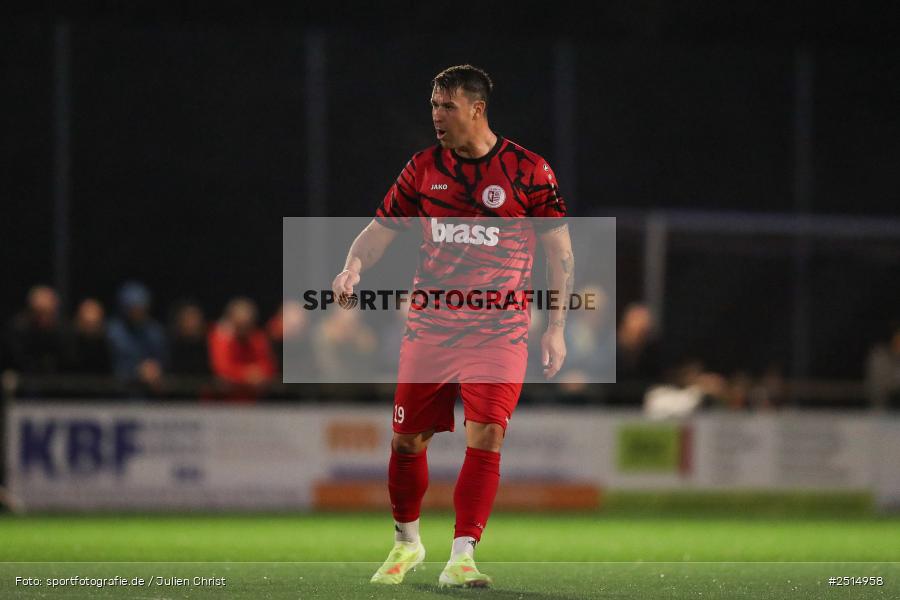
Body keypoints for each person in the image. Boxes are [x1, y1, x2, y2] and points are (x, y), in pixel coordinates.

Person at [330, 65, 571, 588]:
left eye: (447, 107)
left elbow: (559, 252)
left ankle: (462, 556)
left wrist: (556, 327)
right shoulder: (423, 168)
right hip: (431, 327)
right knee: (407, 443)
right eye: (434, 106)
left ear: (477, 109)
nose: (437, 117)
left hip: (499, 330)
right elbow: (379, 231)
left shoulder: (529, 171)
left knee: (486, 434)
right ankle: (406, 543)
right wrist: (353, 266)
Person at [208, 297, 276, 400]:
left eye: (247, 325)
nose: (243, 329)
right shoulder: (221, 338)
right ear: (231, 321)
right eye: (240, 324)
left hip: (253, 402)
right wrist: (246, 374)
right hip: (222, 403)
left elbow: (269, 366)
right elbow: (222, 369)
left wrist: (258, 374)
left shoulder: (258, 338)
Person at [107, 281, 168, 394]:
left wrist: (155, 370)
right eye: (132, 307)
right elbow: (109, 367)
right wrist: (136, 372)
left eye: (140, 307)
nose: (137, 311)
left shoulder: (155, 332)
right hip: (117, 396)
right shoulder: (113, 332)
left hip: (149, 396)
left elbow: (163, 361)